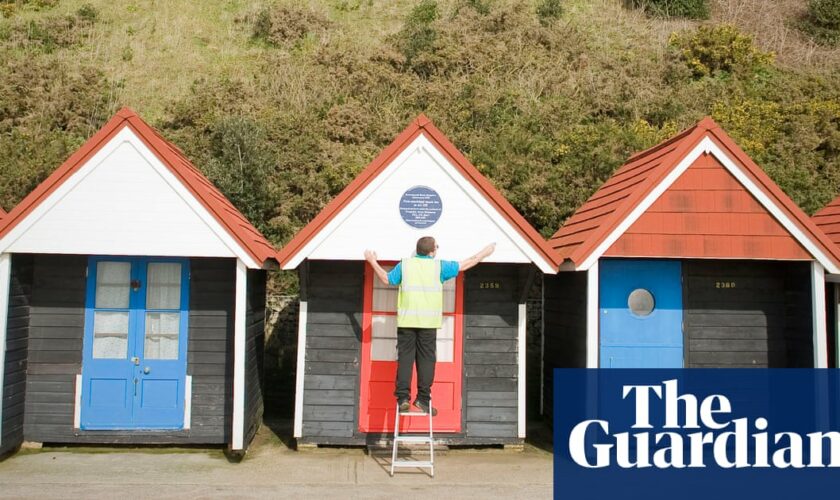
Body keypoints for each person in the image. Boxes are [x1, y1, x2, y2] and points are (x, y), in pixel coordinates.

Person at [364, 237, 495, 415]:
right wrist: (485, 252)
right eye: (437, 247)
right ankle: (423, 400)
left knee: (405, 361)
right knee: (427, 361)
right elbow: (467, 263)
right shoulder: (438, 267)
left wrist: (372, 261)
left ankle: (403, 398)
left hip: (406, 323)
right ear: (432, 251)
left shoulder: (406, 265)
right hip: (428, 324)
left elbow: (386, 279)